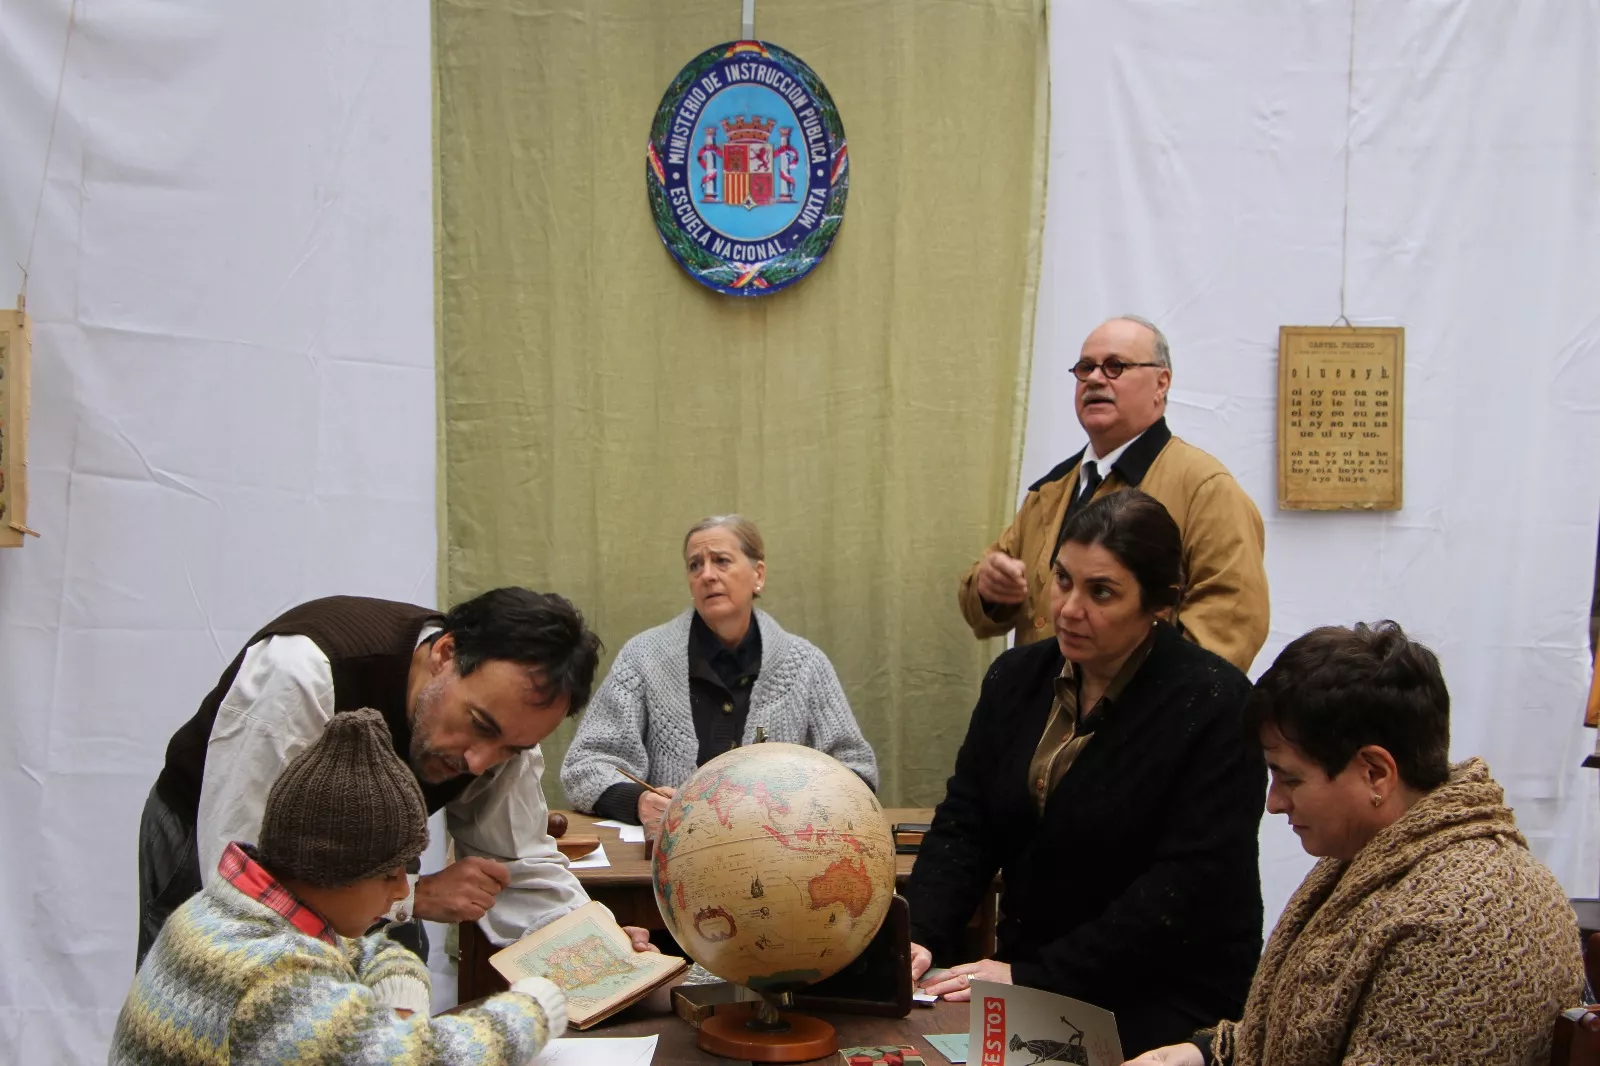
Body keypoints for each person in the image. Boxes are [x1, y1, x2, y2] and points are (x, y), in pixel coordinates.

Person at [1127, 622, 1585, 1066]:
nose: (1274, 803)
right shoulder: (1388, 855)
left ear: (1375, 773)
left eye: (1290, 778)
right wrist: (1201, 1054)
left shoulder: (1465, 921)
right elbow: (1308, 1032)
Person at [907, 490, 1266, 1057]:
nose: (1069, 608)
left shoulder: (1217, 706)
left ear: (1160, 606)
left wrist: (1033, 975)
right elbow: (966, 823)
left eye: (1101, 592)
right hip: (1032, 975)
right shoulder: (1017, 678)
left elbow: (1184, 888)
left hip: (1164, 993)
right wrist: (922, 936)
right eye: (1063, 580)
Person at [137, 587, 655, 967]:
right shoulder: (302, 672)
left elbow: (517, 864)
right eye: (479, 726)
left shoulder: (505, 731)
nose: (479, 763)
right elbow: (242, 879)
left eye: (510, 748)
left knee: (391, 996)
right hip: (214, 838)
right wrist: (411, 896)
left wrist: (590, 943)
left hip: (370, 860)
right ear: (444, 656)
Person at [113, 709, 568, 1065]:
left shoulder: (230, 915)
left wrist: (401, 992)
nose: (400, 892)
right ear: (333, 870)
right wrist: (532, 1009)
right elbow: (423, 1059)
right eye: (389, 873)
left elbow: (358, 951)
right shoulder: (271, 977)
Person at [958, 316, 1269, 673]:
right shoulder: (1052, 490)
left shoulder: (1205, 488)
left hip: (1139, 721)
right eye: (1085, 368)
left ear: (1161, 383)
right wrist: (990, 588)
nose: (1093, 379)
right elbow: (979, 608)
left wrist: (1137, 707)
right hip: (1041, 716)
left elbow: (1230, 625)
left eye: (1115, 367)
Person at [561, 515, 877, 835]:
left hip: (780, 858)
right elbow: (585, 766)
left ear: (758, 574)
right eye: (695, 565)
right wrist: (638, 802)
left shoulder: (807, 664)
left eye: (721, 561)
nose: (707, 575)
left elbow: (857, 770)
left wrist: (799, 806)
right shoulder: (643, 658)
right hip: (670, 858)